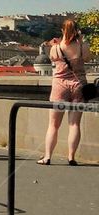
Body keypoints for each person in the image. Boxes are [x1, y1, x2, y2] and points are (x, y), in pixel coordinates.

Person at [38, 19, 91, 165]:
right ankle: (71, 157)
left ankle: (48, 156)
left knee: (53, 125)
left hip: (60, 86)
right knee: (74, 124)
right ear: (77, 31)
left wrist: (54, 43)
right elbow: (87, 58)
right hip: (78, 85)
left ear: (62, 30)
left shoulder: (56, 47)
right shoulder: (82, 46)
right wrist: (80, 40)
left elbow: (53, 58)